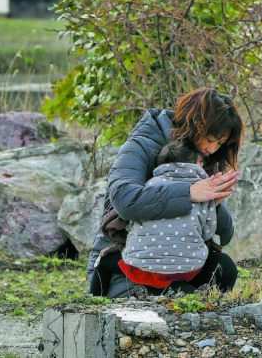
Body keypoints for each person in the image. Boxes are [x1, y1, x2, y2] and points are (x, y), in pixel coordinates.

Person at [87, 87, 242, 298]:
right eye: (210, 139)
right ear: (194, 125)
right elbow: (125, 200)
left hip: (180, 261)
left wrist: (215, 204)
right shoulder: (142, 144)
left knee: (224, 268)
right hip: (128, 262)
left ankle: (193, 307)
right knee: (180, 296)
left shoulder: (203, 158)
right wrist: (189, 193)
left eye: (220, 143)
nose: (213, 149)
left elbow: (223, 236)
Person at [118, 140, 219, 295]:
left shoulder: (148, 186)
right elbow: (207, 232)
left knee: (104, 264)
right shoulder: (203, 191)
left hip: (139, 268)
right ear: (197, 163)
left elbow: (132, 222)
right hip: (188, 270)